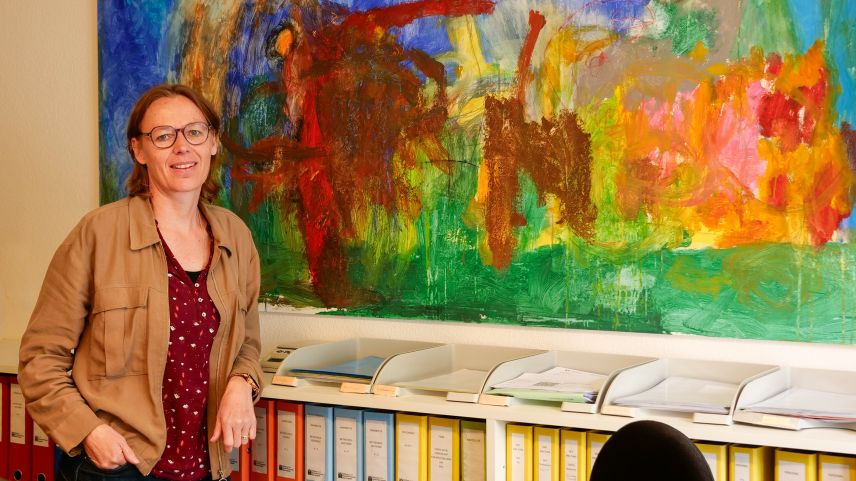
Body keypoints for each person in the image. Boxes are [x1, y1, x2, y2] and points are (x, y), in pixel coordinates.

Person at [18, 84, 264, 481]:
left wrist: (241, 381)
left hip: (207, 466)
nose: (182, 147)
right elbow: (39, 359)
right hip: (116, 467)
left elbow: (247, 341)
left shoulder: (236, 236)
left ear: (213, 142)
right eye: (163, 136)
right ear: (139, 150)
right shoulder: (98, 234)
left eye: (195, 132)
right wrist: (89, 432)